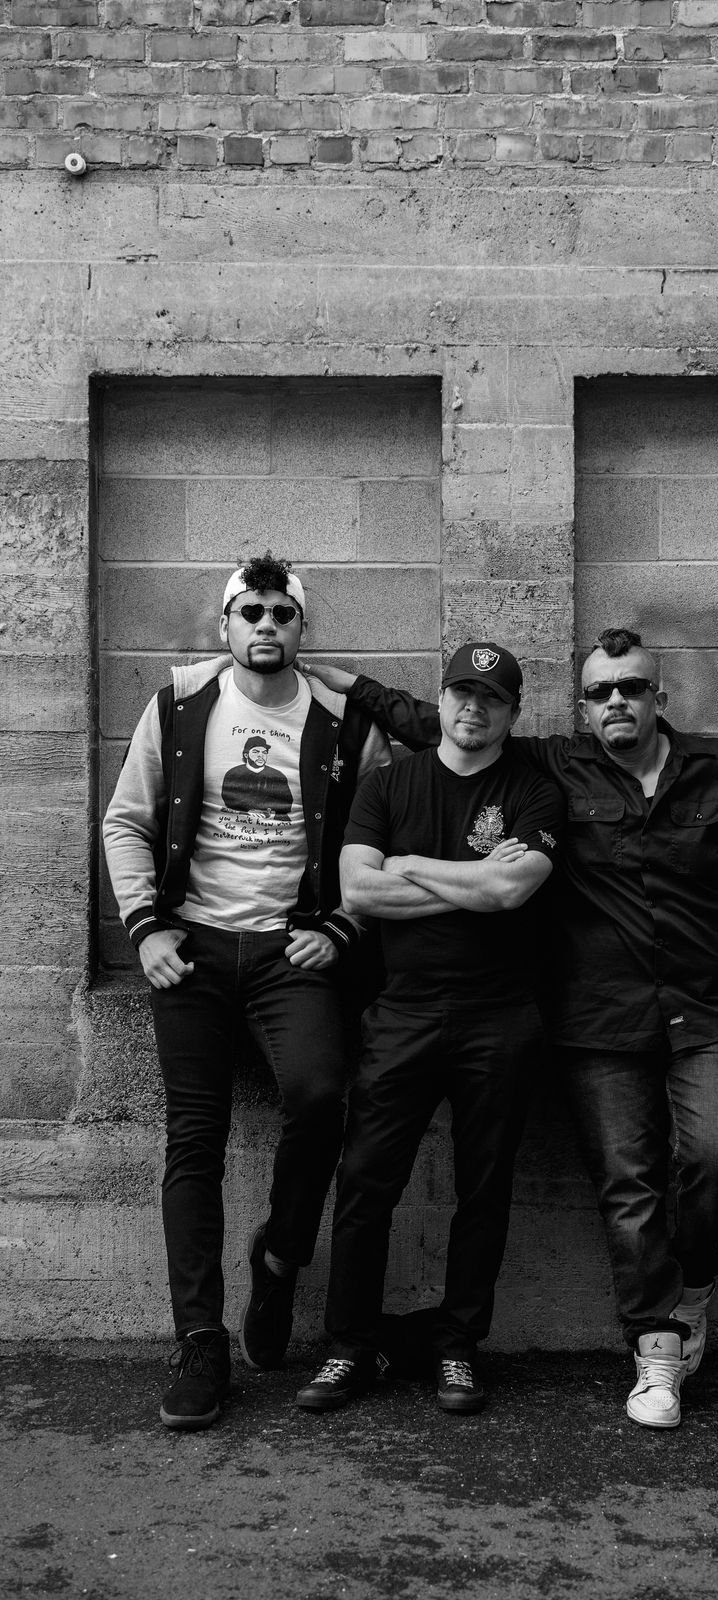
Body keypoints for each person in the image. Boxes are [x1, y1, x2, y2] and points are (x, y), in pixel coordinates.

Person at [308, 629, 718, 1431]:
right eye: (601, 692)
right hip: (598, 1020)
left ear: (658, 698)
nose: (616, 702)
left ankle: (693, 1282)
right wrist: (339, 680)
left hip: (709, 1011)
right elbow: (445, 722)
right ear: (581, 707)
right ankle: (655, 1349)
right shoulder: (552, 764)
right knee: (628, 1186)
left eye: (631, 688)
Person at [102, 553, 391, 1432]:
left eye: (281, 614)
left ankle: (279, 1258)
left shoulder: (344, 724)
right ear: (224, 624)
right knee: (193, 1138)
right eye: (250, 612)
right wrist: (145, 926)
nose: (265, 626)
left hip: (286, 952)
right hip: (190, 948)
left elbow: (378, 841)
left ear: (301, 627)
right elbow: (126, 820)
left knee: (320, 1094)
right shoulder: (179, 706)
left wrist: (339, 927)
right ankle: (200, 1341)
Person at [296, 642, 565, 1417]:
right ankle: (349, 1347)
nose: (473, 708)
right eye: (461, 693)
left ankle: (456, 1346)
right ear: (440, 701)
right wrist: (471, 881)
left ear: (512, 713)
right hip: (404, 1011)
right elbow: (358, 891)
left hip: (500, 1017)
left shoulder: (534, 791)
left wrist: (408, 865)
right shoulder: (389, 783)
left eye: (491, 698)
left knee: (484, 1188)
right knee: (364, 1182)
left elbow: (512, 891)